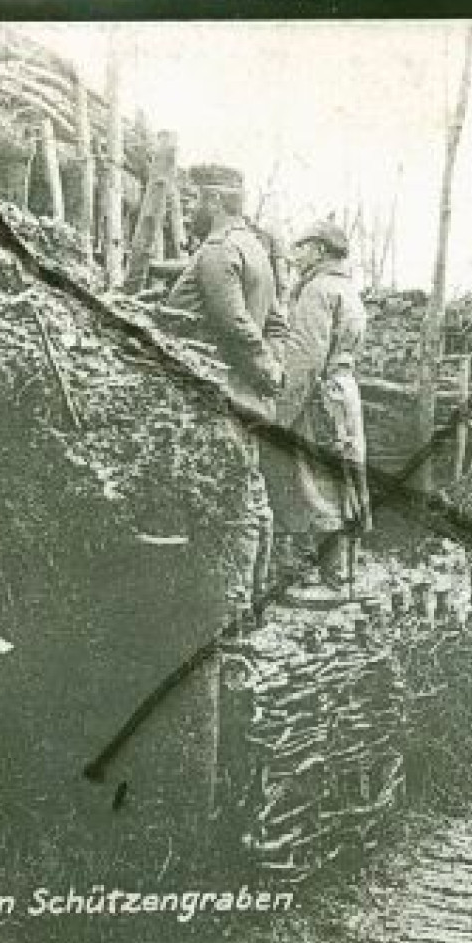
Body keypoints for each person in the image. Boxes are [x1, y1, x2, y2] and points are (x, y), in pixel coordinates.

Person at [164, 164, 286, 614]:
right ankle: (252, 599)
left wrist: (261, 370)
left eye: (196, 200)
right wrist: (271, 369)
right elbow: (275, 322)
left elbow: (232, 322)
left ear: (215, 202)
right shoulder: (254, 248)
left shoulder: (218, 249)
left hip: (220, 390)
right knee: (250, 492)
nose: (193, 210)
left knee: (230, 500)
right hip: (247, 391)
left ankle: (231, 610)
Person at [262, 219, 372, 593]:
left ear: (321, 250)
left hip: (321, 392)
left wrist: (279, 415)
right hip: (344, 390)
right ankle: (343, 573)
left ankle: (331, 579)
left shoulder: (317, 290)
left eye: (303, 246)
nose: (296, 254)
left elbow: (305, 359)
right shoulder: (347, 288)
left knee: (317, 480)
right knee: (343, 476)